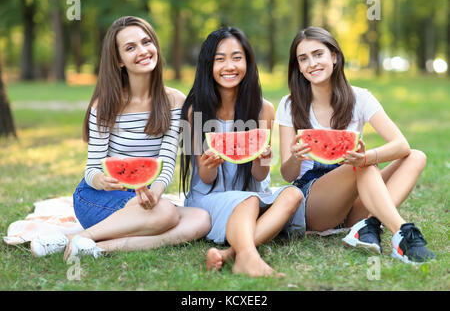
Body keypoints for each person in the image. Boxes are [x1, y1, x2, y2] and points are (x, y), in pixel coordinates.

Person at [30, 16, 211, 259]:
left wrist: (155, 193)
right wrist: (102, 181)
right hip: (96, 197)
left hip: (143, 195)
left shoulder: (174, 101)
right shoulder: (105, 104)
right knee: (167, 214)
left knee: (201, 219)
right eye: (130, 47)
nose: (143, 51)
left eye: (146, 42)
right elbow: (92, 168)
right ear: (118, 61)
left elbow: (167, 162)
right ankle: (83, 237)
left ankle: (92, 246)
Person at [275, 26, 436, 264]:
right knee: (361, 164)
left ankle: (367, 225)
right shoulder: (289, 104)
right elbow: (287, 176)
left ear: (334, 57)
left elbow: (402, 145)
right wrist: (296, 157)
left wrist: (368, 156)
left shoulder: (360, 97)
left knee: (416, 156)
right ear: (298, 66)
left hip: (355, 201)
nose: (312, 63)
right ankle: (401, 233)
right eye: (303, 58)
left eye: (318, 54)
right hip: (316, 203)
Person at [180, 27, 303, 277]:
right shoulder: (194, 111)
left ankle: (230, 254)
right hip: (210, 199)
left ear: (247, 61)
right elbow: (204, 179)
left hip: (253, 193)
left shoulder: (264, 110)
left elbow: (260, 176)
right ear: (208, 65)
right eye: (220, 58)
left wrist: (261, 158)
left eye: (237, 57)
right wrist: (208, 164)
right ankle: (248, 258)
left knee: (293, 195)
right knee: (247, 200)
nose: (229, 66)